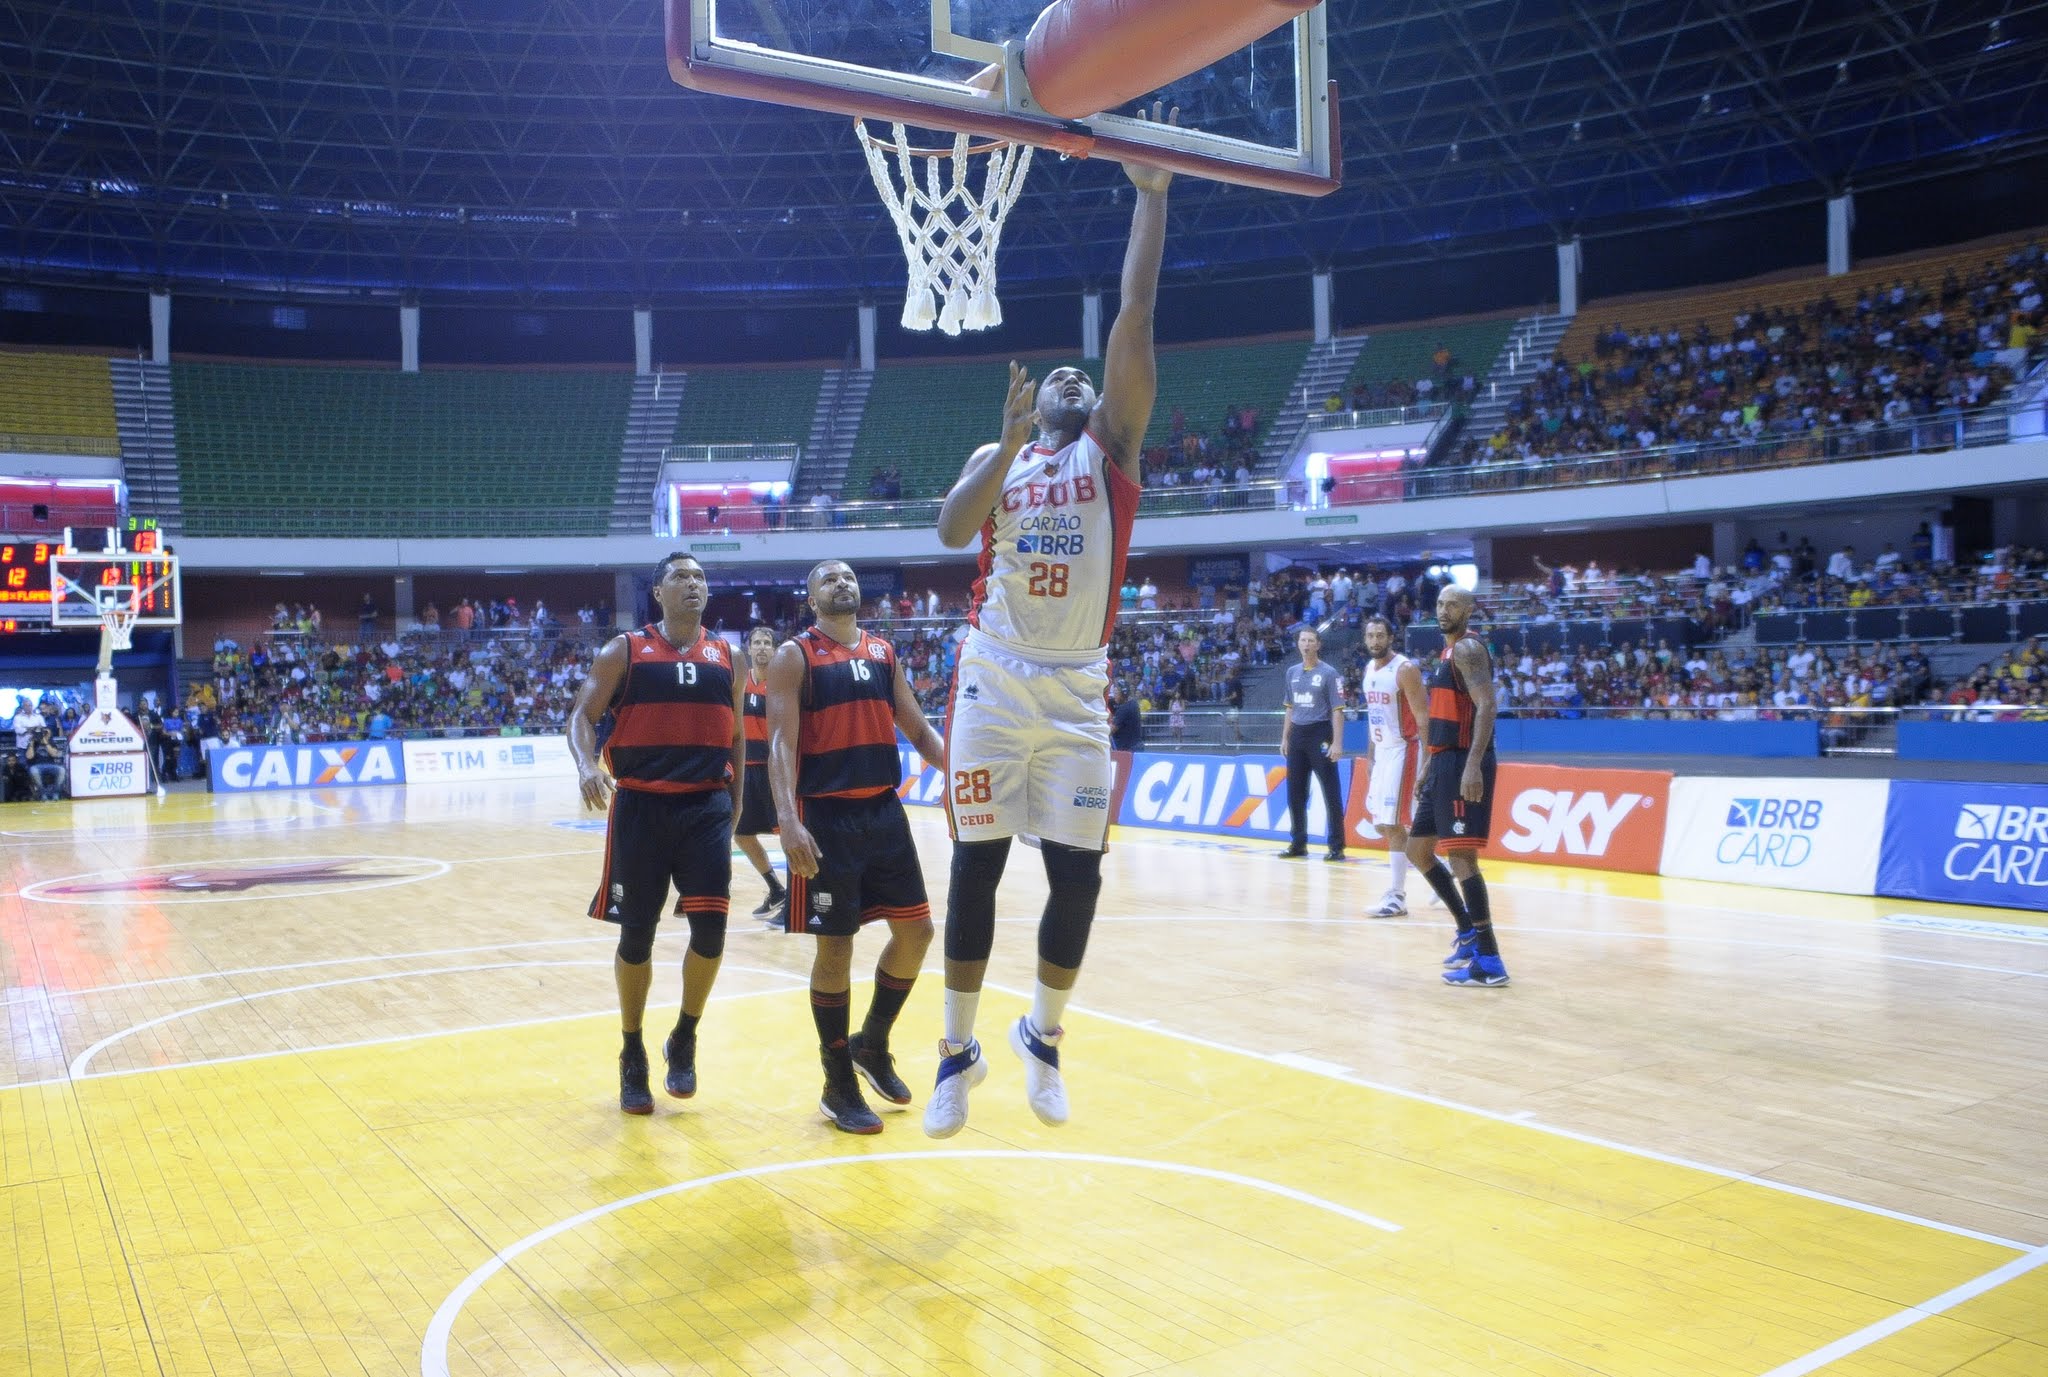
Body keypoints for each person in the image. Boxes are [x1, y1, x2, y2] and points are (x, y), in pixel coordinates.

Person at [924, 136, 1172, 1139]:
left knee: (1078, 873)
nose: (1070, 377)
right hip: (993, 674)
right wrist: (1007, 447)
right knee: (975, 866)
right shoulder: (1002, 456)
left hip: (1075, 689)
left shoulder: (1113, 450)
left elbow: (1134, 318)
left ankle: (1042, 1034)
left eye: (1081, 377)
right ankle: (956, 1052)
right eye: (1055, 376)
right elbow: (950, 530)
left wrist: (1150, 200)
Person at [766, 560, 946, 1134]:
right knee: (836, 949)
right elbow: (779, 744)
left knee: (917, 933)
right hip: (825, 819)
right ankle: (837, 1077)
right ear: (811, 599)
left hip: (884, 813)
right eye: (828, 579)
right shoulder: (795, 655)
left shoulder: (883, 652)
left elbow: (918, 730)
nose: (841, 583)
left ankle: (872, 1042)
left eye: (847, 576)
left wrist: (963, 774)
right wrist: (787, 820)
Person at [568, 552, 748, 1114]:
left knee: (711, 933)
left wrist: (737, 805)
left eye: (699, 577)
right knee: (636, 937)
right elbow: (582, 716)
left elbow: (737, 736)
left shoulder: (731, 656)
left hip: (706, 806)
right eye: (680, 577)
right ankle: (632, 1050)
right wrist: (586, 763)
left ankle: (685, 1036)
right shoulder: (624, 650)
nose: (693, 584)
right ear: (658, 593)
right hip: (641, 806)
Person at [1404, 585, 1509, 987]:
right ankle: (1467, 931)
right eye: (1440, 604)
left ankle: (1490, 960)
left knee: (1462, 858)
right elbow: (1447, 716)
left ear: (1468, 610)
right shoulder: (1447, 652)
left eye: (1452, 604)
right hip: (1443, 762)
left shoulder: (1467, 649)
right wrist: (1428, 764)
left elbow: (1487, 705)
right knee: (1417, 850)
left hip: (1464, 761)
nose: (1444, 610)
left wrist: (1473, 765)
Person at [1358, 615, 1428, 916]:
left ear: (1390, 638)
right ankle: (1442, 870)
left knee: (1394, 824)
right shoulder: (1368, 669)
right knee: (1385, 824)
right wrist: (1371, 756)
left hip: (1404, 749)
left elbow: (1424, 718)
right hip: (1382, 753)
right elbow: (1373, 716)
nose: (1375, 640)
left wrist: (1429, 760)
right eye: (1370, 635)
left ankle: (1397, 896)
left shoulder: (1405, 669)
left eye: (1380, 635)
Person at [733, 625, 789, 927]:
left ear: (775, 649)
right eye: (757, 642)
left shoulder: (782, 684)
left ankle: (796, 901)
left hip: (773, 770)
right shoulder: (740, 683)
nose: (762, 647)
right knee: (741, 833)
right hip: (746, 769)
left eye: (768, 642)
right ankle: (776, 889)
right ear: (749, 648)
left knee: (787, 834)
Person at [1278, 626, 1347, 860]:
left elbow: (1338, 710)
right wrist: (1285, 737)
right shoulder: (1291, 672)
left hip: (1320, 733)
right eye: (1303, 640)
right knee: (1295, 792)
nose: (1306, 644)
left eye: (1310, 640)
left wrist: (1337, 743)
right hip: (1298, 734)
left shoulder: (1330, 673)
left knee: (1330, 791)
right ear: (1298, 644)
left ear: (1318, 644)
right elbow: (1290, 708)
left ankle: (1336, 846)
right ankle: (1298, 843)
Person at [24, 723, 65, 801]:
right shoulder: (34, 743)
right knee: (33, 770)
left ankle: (56, 793)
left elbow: (54, 754)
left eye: (47, 733)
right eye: (44, 733)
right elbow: (29, 756)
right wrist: (32, 743)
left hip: (51, 765)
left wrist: (46, 743)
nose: (45, 735)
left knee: (61, 770)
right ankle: (43, 793)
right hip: (37, 765)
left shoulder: (51, 743)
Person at [1109, 680, 1142, 752]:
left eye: (1116, 693)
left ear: (1123, 693)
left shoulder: (1124, 709)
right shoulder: (1134, 704)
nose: (1114, 696)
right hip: (1134, 747)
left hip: (1127, 750)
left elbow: (1110, 731)